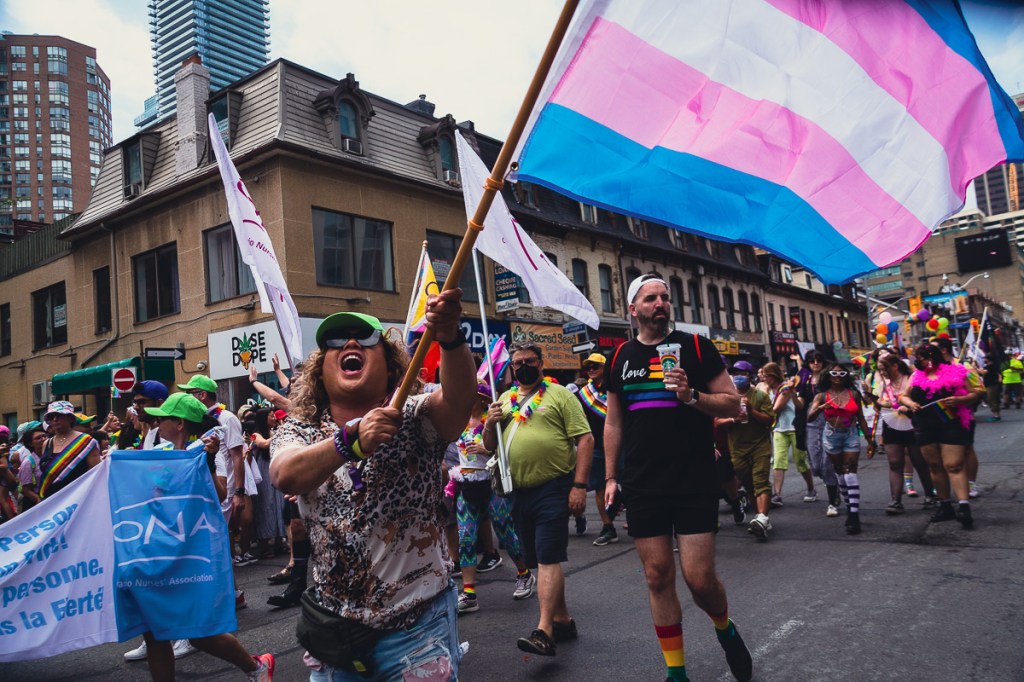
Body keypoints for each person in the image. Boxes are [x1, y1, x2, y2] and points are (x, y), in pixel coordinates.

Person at [271, 292, 476, 681]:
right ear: (320, 372)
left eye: (365, 340)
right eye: (336, 341)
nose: (350, 344)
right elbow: (286, 474)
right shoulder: (300, 429)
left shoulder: (414, 415)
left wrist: (450, 336)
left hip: (418, 623)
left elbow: (459, 402)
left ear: (390, 365)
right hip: (337, 631)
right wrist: (349, 442)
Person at [603, 274, 751, 682]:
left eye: (665, 296)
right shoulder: (620, 358)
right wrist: (611, 477)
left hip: (693, 479)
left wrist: (692, 396)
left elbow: (733, 401)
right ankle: (677, 672)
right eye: (651, 297)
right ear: (633, 309)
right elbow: (613, 423)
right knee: (657, 576)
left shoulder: (696, 347)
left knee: (699, 579)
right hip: (643, 482)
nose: (661, 303)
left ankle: (725, 627)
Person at [134, 392, 274, 682]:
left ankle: (256, 666)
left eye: (164, 416)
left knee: (196, 634)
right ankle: (255, 667)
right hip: (157, 546)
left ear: (181, 424)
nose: (158, 421)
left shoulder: (206, 452)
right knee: (154, 631)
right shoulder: (155, 450)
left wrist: (208, 461)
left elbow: (220, 493)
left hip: (189, 550)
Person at [482, 342, 593, 657]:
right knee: (537, 558)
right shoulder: (504, 399)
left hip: (553, 488)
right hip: (518, 491)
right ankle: (562, 619)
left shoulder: (561, 395)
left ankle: (544, 630)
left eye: (529, 361)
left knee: (547, 556)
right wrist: (490, 423)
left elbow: (585, 439)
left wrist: (579, 486)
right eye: (517, 363)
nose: (522, 367)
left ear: (541, 364)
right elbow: (491, 446)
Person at [452, 384, 534, 615]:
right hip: (465, 485)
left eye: (472, 396)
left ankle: (524, 574)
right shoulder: (456, 421)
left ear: (481, 399)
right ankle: (469, 594)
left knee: (505, 533)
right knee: (466, 538)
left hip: (491, 484)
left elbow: (505, 451)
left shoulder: (494, 419)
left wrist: (485, 450)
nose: (466, 398)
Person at [178, 374, 248, 609]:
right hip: (207, 486)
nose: (189, 396)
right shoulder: (199, 419)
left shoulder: (227, 418)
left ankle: (225, 595)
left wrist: (239, 491)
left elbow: (238, 455)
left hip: (223, 488)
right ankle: (233, 592)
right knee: (218, 539)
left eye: (191, 392)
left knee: (214, 540)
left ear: (202, 395)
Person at [900, 344, 976, 529]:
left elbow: (976, 392)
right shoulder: (915, 376)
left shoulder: (956, 371)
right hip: (925, 426)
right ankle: (945, 505)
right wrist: (910, 403)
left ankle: (964, 507)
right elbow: (903, 396)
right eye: (922, 358)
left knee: (954, 465)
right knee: (935, 466)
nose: (927, 361)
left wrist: (959, 400)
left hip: (950, 424)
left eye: (929, 357)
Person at [807, 364, 876, 534]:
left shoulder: (853, 394)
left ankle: (854, 515)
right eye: (834, 373)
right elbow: (809, 417)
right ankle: (848, 504)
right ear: (828, 376)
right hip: (831, 436)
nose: (838, 376)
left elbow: (860, 417)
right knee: (840, 473)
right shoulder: (822, 396)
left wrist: (869, 440)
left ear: (846, 376)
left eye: (841, 373)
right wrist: (819, 409)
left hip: (851, 433)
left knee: (850, 470)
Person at [716, 360, 775, 539]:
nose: (738, 377)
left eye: (742, 373)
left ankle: (762, 517)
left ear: (750, 375)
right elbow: (717, 422)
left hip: (759, 446)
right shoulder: (727, 397)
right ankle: (761, 518)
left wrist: (751, 411)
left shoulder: (760, 396)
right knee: (748, 484)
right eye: (735, 373)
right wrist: (734, 419)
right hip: (737, 448)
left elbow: (769, 420)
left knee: (760, 481)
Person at [872, 351, 935, 513]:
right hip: (891, 423)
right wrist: (882, 403)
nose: (883, 372)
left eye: (885, 368)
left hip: (913, 423)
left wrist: (909, 406)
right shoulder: (884, 384)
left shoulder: (911, 379)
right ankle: (896, 501)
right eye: (880, 370)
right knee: (894, 463)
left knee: (919, 461)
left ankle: (930, 496)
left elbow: (922, 399)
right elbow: (879, 401)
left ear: (895, 365)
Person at [932, 337, 985, 499]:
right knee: (940, 452)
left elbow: (980, 390)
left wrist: (961, 400)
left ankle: (970, 483)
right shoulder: (932, 369)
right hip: (939, 417)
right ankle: (944, 485)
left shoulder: (963, 366)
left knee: (967, 448)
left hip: (963, 415)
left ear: (943, 350)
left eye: (932, 349)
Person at [576, 352, 620, 546]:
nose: (592, 370)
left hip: (620, 443)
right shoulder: (583, 394)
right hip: (596, 446)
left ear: (605, 368)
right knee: (600, 487)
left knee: (631, 481)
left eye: (596, 366)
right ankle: (608, 527)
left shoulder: (616, 388)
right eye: (589, 367)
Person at [761, 362, 816, 506]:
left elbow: (776, 408)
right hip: (779, 429)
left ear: (773, 376)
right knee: (778, 461)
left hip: (793, 427)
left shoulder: (784, 389)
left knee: (800, 461)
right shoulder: (769, 390)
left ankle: (811, 488)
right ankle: (777, 495)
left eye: (766, 376)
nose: (764, 378)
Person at [797, 351, 842, 516]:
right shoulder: (805, 379)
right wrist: (789, 395)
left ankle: (832, 501)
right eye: (811, 361)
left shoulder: (829, 378)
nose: (815, 363)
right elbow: (801, 401)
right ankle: (834, 485)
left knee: (826, 462)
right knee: (815, 465)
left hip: (829, 420)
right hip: (811, 421)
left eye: (818, 360)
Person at [38, 400, 102, 499]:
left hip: (76, 499)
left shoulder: (87, 442)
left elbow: (96, 474)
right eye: (51, 417)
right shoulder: (46, 444)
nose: (55, 419)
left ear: (70, 418)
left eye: (59, 415)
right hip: (50, 500)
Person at [15, 421, 45, 512]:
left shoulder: (51, 457)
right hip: (36, 505)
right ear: (30, 444)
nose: (43, 439)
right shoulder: (28, 462)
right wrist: (38, 499)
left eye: (44, 436)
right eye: (38, 438)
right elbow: (25, 490)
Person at [982, 353, 1002, 422]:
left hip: (992, 385)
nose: (984, 359)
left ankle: (996, 415)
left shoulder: (991, 366)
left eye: (985, 358)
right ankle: (996, 414)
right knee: (994, 399)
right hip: (990, 385)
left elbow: (983, 373)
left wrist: (974, 368)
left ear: (988, 359)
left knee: (991, 399)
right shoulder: (988, 366)